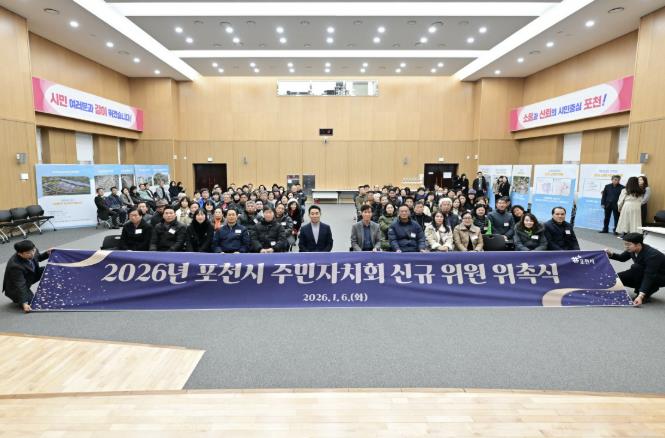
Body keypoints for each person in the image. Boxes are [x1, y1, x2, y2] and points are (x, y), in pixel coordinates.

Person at [606, 233, 665, 306]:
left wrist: (640, 296)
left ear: (638, 244)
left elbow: (649, 275)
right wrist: (610, 254)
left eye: (628, 244)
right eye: (625, 244)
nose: (626, 247)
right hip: (641, 271)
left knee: (636, 268)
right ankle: (644, 289)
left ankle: (648, 291)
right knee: (616, 279)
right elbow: (622, 258)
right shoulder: (633, 249)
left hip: (659, 277)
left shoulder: (653, 255)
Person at [2, 240, 50, 313]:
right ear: (20, 254)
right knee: (33, 303)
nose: (32, 254)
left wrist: (47, 253)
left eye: (33, 250)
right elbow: (20, 285)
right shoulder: (14, 266)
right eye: (28, 253)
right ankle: (17, 298)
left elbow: (38, 257)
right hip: (15, 288)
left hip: (29, 276)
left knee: (48, 269)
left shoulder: (32, 249)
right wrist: (24, 303)